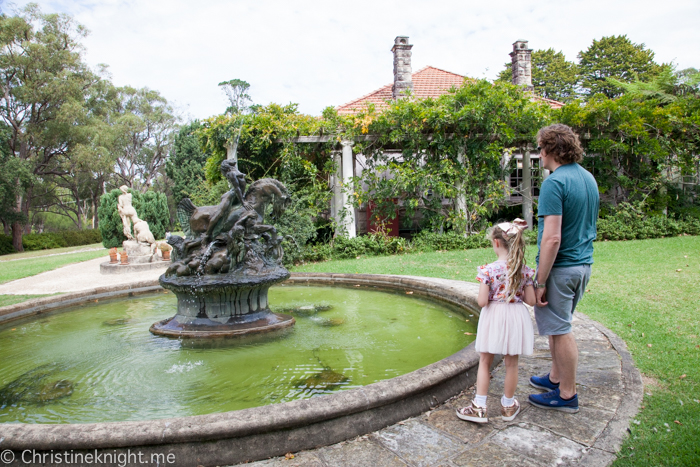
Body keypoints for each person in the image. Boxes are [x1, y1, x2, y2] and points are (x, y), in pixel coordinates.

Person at [528, 124, 599, 413]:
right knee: (558, 327)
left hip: (561, 269)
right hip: (583, 266)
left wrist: (540, 280)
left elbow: (552, 237)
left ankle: (567, 395)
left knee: (561, 330)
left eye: (541, 148)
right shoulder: (587, 178)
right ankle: (555, 378)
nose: (539, 154)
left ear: (551, 149)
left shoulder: (554, 183)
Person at [456, 219, 535, 423]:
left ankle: (479, 407)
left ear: (497, 243)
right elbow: (531, 301)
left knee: (485, 361)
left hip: (494, 316)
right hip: (516, 317)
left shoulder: (488, 270)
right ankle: (508, 406)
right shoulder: (523, 269)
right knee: (512, 364)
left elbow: (482, 301)